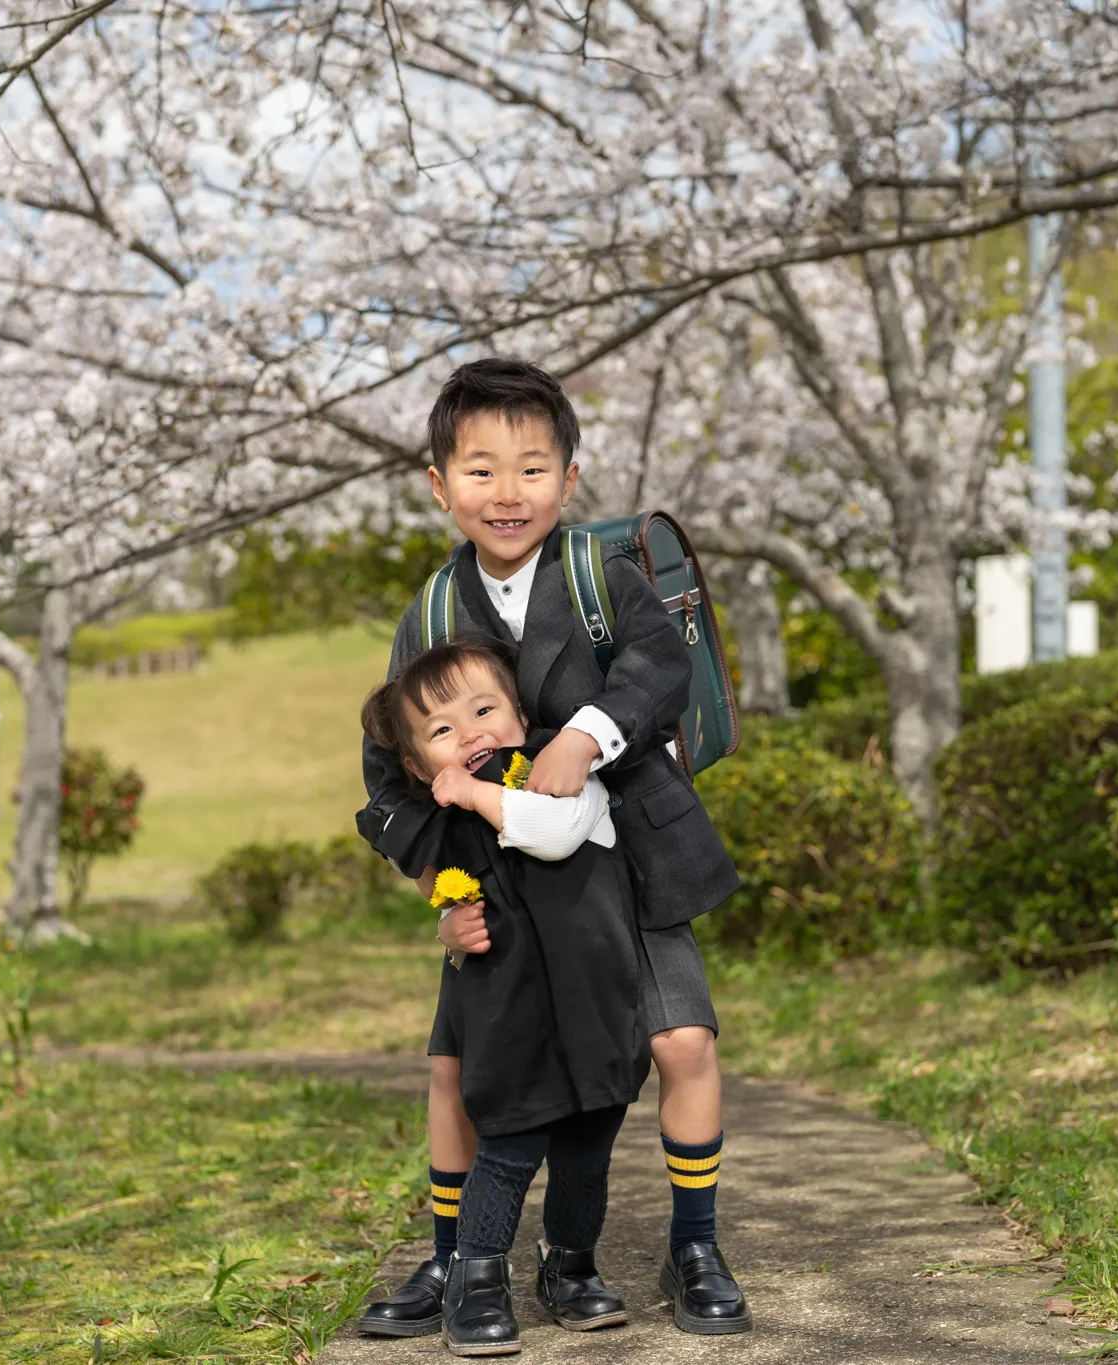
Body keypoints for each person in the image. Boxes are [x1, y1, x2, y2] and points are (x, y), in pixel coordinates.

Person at [355, 359, 751, 1340]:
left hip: (625, 862)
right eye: (479, 471)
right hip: (494, 879)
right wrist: (435, 880)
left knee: (681, 1042)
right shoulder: (432, 615)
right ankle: (453, 1260)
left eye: (531, 468)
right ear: (439, 485)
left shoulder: (597, 573)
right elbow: (387, 769)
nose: (507, 492)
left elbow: (659, 667)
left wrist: (585, 735)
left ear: (568, 481)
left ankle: (693, 1246)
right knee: (456, 1071)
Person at [361, 639, 648, 1356]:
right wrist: (447, 925)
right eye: (443, 731)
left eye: (485, 709)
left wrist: (476, 791)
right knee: (509, 1145)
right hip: (509, 1017)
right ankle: (477, 1276)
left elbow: (551, 837)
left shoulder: (565, 777)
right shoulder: (445, 829)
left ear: (521, 714)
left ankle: (571, 1264)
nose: (472, 733)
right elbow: (449, 901)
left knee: (587, 1151)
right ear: (418, 766)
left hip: (595, 1009)